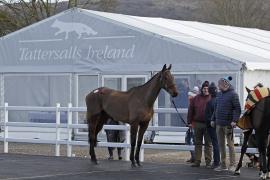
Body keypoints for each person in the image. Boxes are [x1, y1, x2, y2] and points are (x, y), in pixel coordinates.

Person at [211, 76, 241, 172]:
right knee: (221, 145)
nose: (218, 86)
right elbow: (216, 108)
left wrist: (235, 120)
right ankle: (223, 164)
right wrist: (213, 119)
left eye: (219, 84)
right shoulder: (219, 95)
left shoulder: (233, 94)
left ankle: (233, 165)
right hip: (219, 123)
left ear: (225, 84)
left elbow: (238, 109)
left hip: (228, 124)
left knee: (231, 145)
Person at [188, 81, 212, 167]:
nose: (205, 90)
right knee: (198, 143)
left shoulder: (212, 98)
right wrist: (189, 122)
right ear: (201, 89)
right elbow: (190, 110)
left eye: (207, 88)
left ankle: (208, 162)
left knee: (208, 144)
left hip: (208, 124)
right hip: (197, 123)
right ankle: (197, 161)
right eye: (204, 88)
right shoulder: (195, 98)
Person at [205, 82, 220, 168]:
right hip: (220, 125)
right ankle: (220, 161)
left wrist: (208, 125)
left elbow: (207, 116)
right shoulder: (220, 101)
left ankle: (216, 162)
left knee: (215, 144)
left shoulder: (210, 102)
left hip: (212, 126)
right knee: (219, 144)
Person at [185, 86, 200, 163]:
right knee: (190, 140)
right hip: (192, 124)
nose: (188, 97)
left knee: (191, 140)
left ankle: (195, 157)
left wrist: (191, 123)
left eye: (189, 96)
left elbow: (194, 115)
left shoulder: (194, 103)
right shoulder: (192, 103)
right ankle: (194, 156)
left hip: (193, 125)